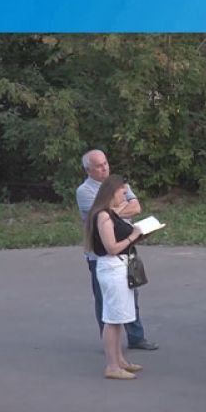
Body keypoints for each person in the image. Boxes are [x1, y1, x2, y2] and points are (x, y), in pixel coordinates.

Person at [76, 149, 158, 351]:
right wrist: (117, 209)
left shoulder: (116, 183)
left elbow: (136, 207)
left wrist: (115, 210)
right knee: (104, 298)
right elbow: (102, 213)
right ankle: (110, 345)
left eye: (106, 163)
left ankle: (136, 337)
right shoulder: (84, 191)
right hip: (101, 254)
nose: (104, 168)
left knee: (131, 292)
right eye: (99, 166)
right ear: (88, 170)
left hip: (125, 250)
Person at [82, 175, 145, 379]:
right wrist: (133, 236)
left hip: (121, 265)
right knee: (112, 317)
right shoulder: (103, 216)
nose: (125, 197)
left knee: (119, 316)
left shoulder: (111, 213)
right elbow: (111, 247)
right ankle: (112, 365)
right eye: (123, 193)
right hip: (112, 266)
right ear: (112, 192)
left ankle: (119, 360)